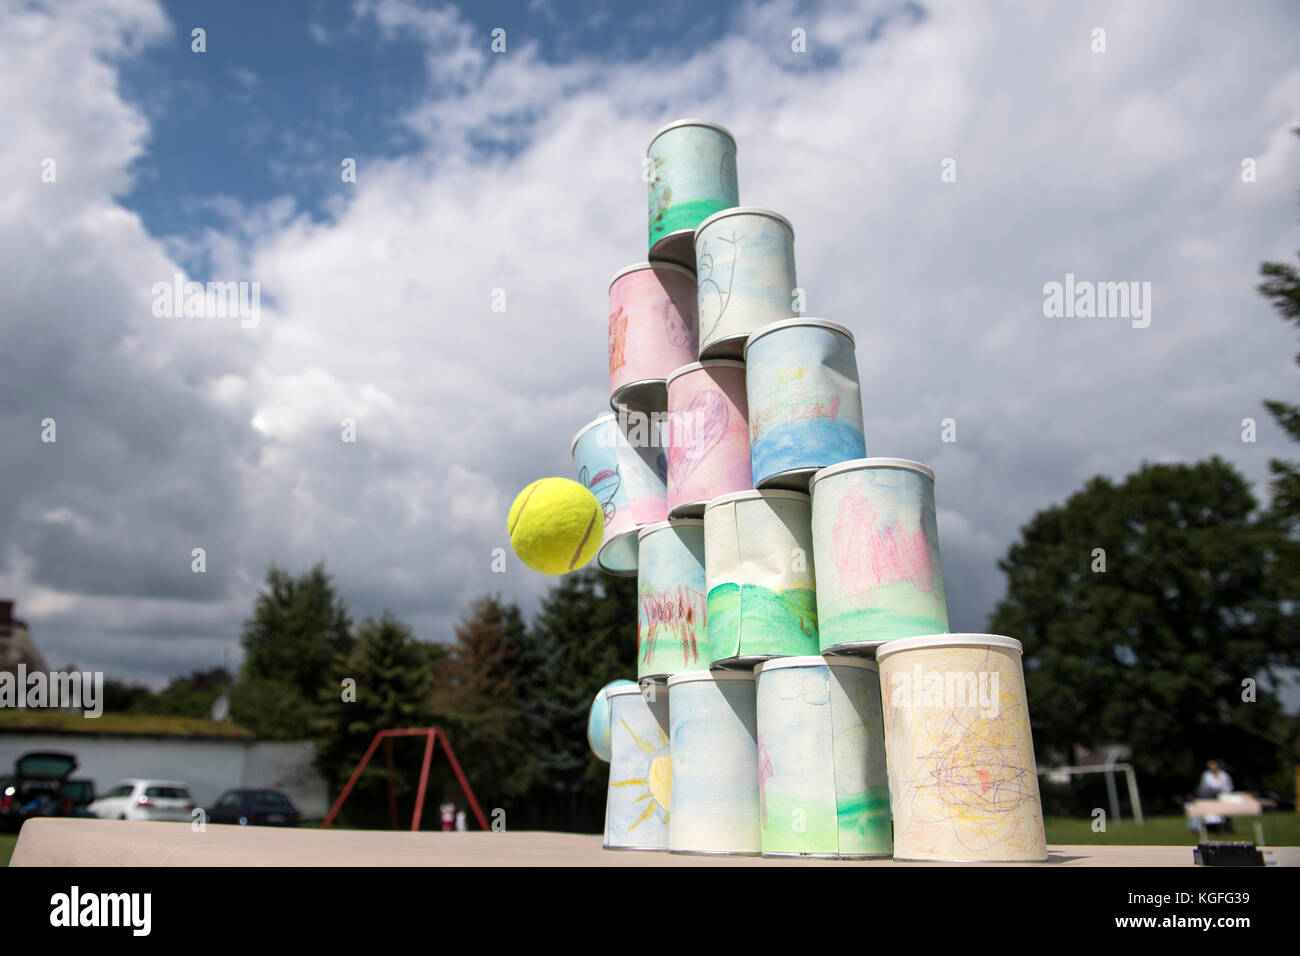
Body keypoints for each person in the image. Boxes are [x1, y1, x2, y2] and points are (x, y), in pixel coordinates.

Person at [1196, 759, 1234, 832]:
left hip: (1224, 795)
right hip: (1211, 796)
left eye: (1214, 765)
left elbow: (1229, 787)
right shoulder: (1206, 775)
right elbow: (1205, 787)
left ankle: (1227, 827)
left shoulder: (1224, 775)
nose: (1213, 767)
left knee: (1225, 811)